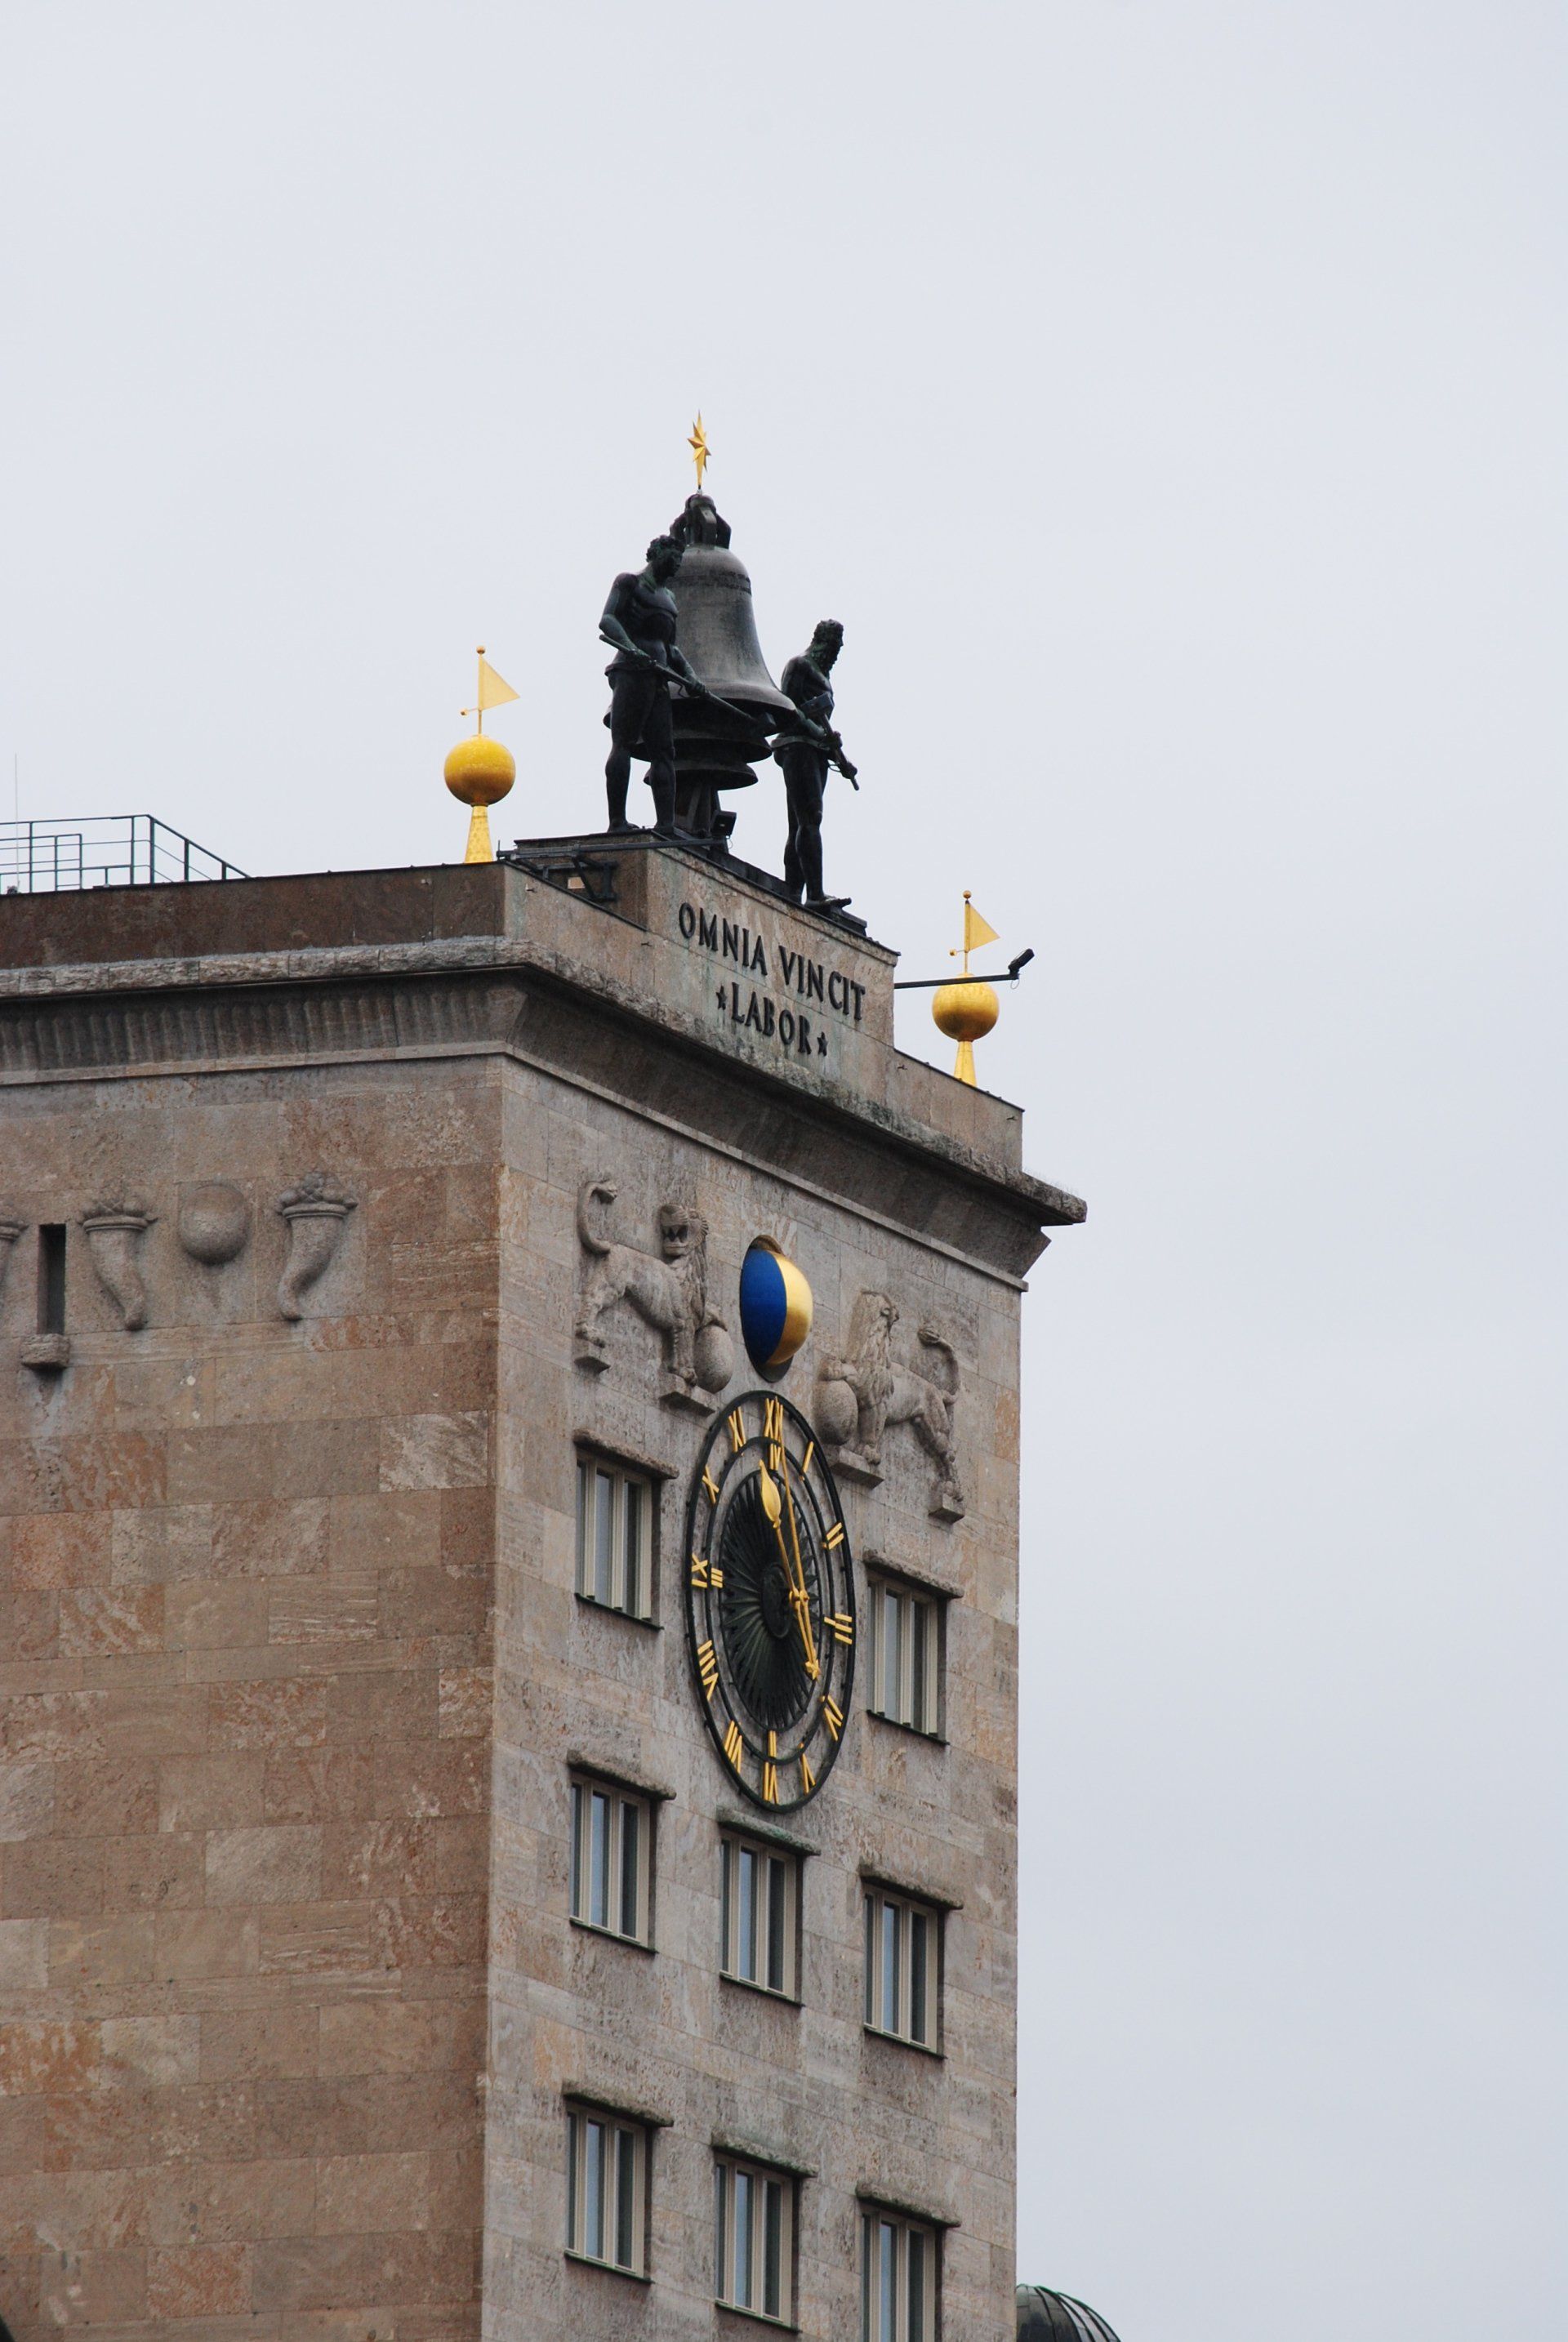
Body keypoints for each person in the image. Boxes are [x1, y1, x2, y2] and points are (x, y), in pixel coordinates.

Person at [599, 535, 702, 835]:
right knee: (624, 743)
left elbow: (671, 648)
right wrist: (631, 647)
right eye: (674, 558)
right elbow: (607, 620)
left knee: (664, 751)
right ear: (657, 553)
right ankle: (617, 821)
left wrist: (692, 677)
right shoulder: (629, 583)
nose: (677, 565)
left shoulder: (670, 598)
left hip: (658, 677)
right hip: (632, 671)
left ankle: (666, 824)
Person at [776, 620, 853, 907]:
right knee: (810, 818)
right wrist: (820, 733)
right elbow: (787, 708)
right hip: (798, 748)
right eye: (834, 645)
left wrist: (842, 760)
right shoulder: (799, 666)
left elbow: (823, 728)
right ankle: (815, 895)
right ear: (821, 641)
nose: (837, 651)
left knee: (801, 821)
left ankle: (794, 892)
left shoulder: (824, 677)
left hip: (817, 752)